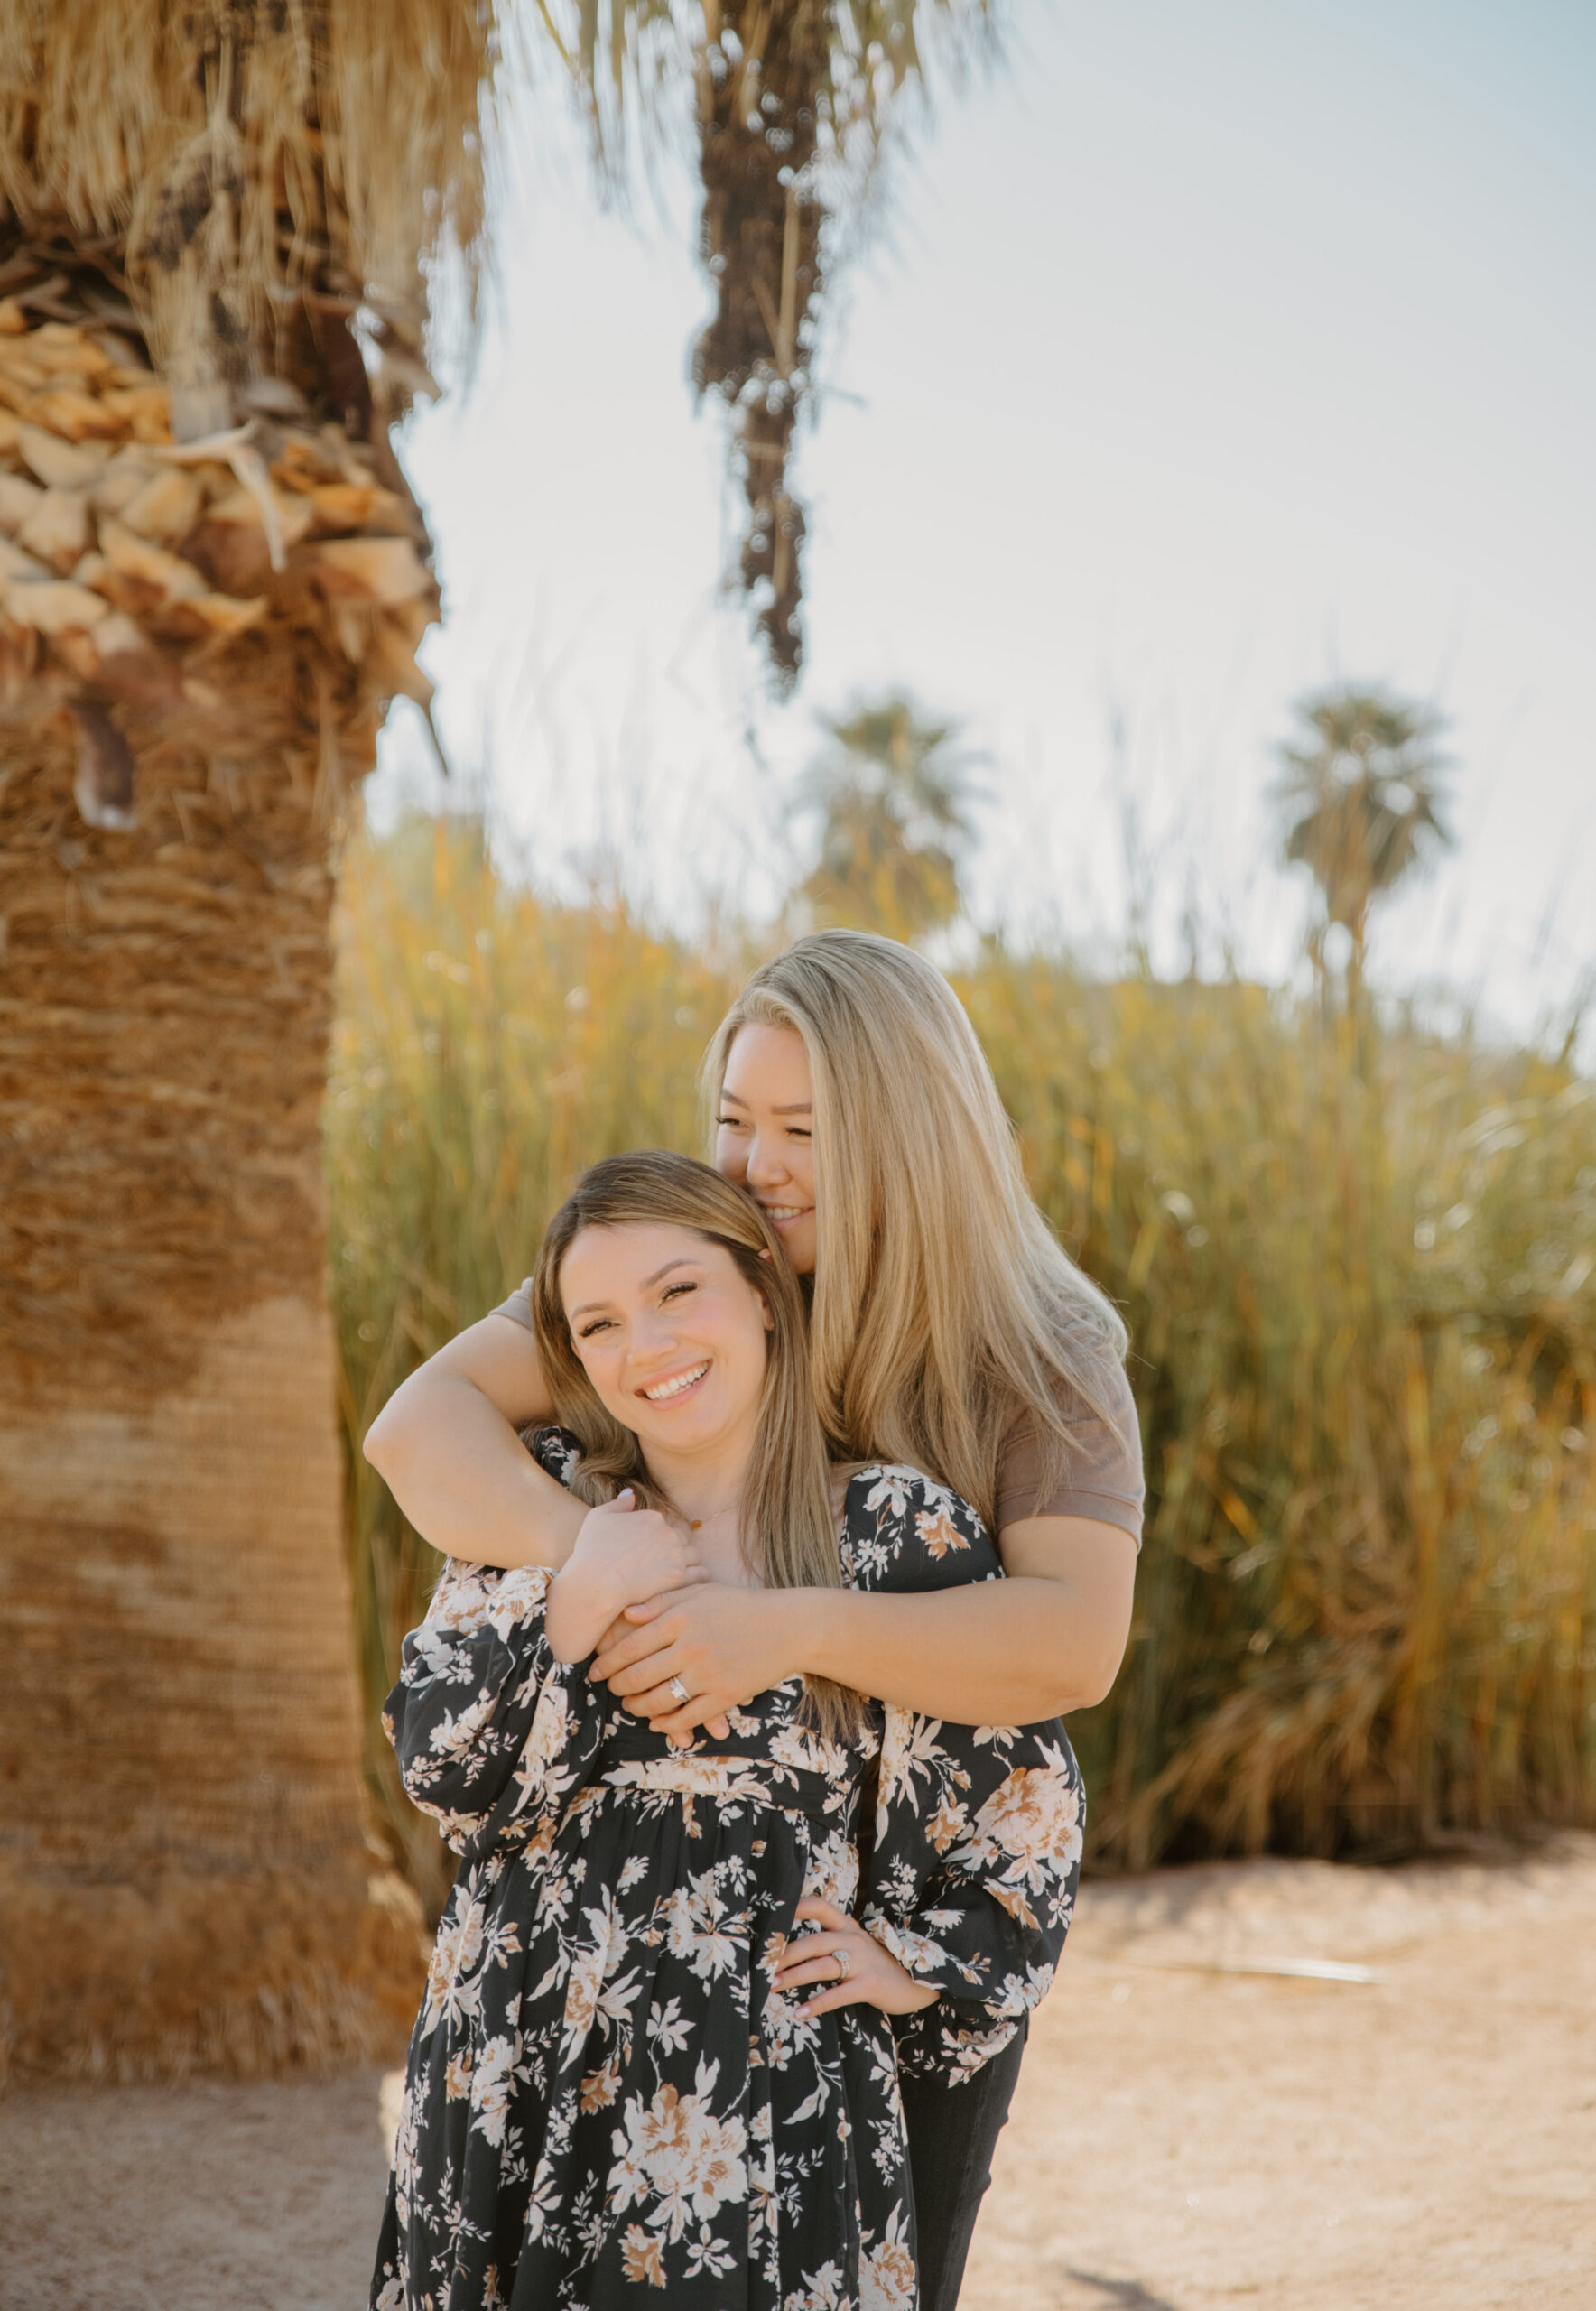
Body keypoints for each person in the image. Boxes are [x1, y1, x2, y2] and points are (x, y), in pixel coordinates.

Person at [365, 928, 1142, 2308]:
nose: (757, 1162)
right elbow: (419, 1425)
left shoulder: (1036, 1346)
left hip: (885, 1928)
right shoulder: (690, 1284)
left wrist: (778, 1625)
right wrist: (601, 1551)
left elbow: (1070, 1642)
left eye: (802, 1126)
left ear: (904, 1130)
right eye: (734, 1118)